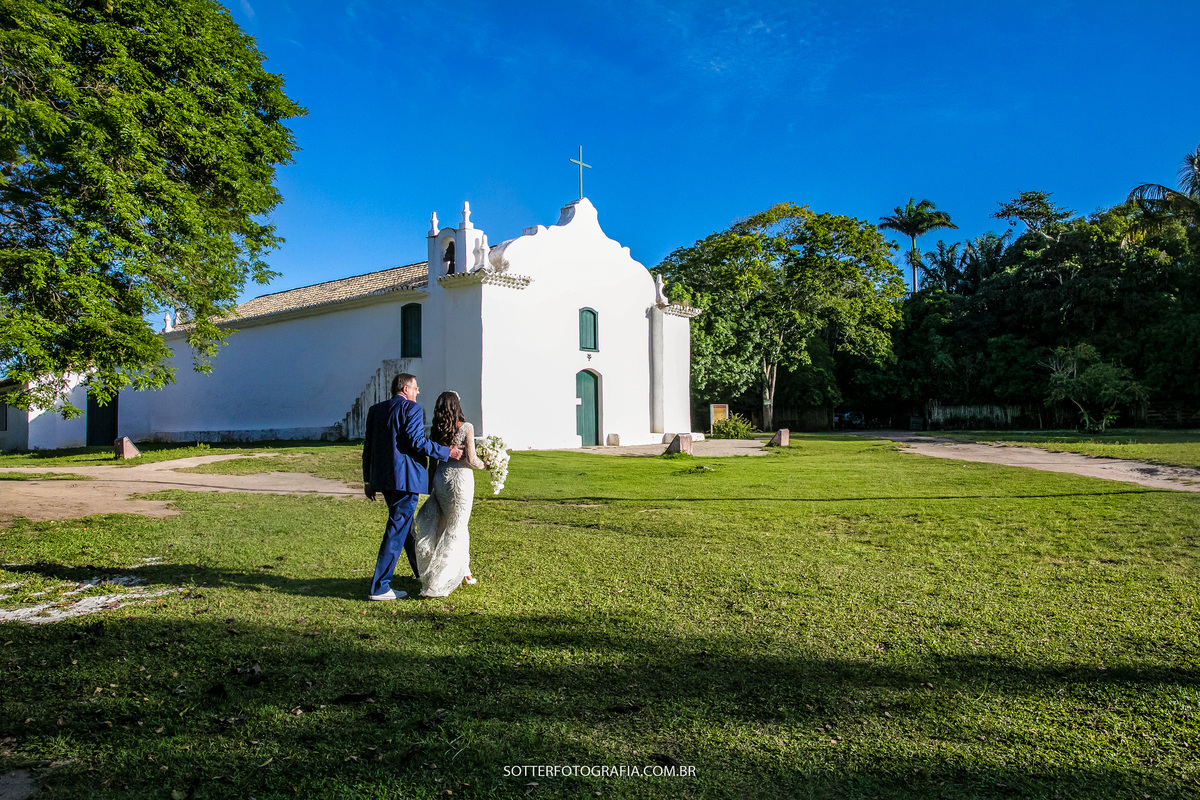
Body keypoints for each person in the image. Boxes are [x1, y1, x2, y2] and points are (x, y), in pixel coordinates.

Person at [362, 374, 462, 601]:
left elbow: (369, 447)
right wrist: (448, 452)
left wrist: (368, 479)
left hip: (384, 479)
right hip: (406, 480)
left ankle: (422, 574)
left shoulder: (375, 410)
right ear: (406, 389)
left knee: (406, 530)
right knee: (397, 530)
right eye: (416, 388)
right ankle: (380, 586)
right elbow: (417, 441)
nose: (418, 392)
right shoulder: (412, 409)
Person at [413, 391, 486, 597]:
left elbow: (434, 459)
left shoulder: (437, 429)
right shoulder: (467, 427)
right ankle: (439, 579)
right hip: (461, 481)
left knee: (452, 525)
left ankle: (465, 572)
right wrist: (487, 465)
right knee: (457, 527)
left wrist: (430, 485)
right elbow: (471, 460)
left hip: (441, 479)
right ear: (457, 405)